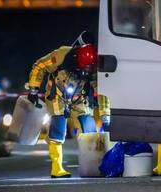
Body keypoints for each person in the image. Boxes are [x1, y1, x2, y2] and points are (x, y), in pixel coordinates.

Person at [27, 31, 110, 178]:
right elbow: (40, 66)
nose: (86, 72)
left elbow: (101, 89)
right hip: (57, 96)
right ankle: (56, 168)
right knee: (58, 129)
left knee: (89, 129)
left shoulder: (94, 66)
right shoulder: (62, 55)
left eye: (89, 70)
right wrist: (34, 89)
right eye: (84, 69)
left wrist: (105, 115)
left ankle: (94, 166)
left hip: (80, 98)